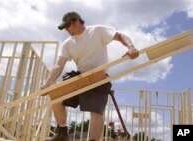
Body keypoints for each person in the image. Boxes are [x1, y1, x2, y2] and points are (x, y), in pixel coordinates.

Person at [41, 11, 139, 141]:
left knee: (96, 111)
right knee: (56, 96)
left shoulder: (97, 31)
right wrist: (47, 84)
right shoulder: (68, 43)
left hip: (99, 76)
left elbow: (120, 36)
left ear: (76, 22)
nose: (66, 30)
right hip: (80, 77)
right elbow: (59, 65)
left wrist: (131, 47)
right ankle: (62, 134)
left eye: (67, 26)